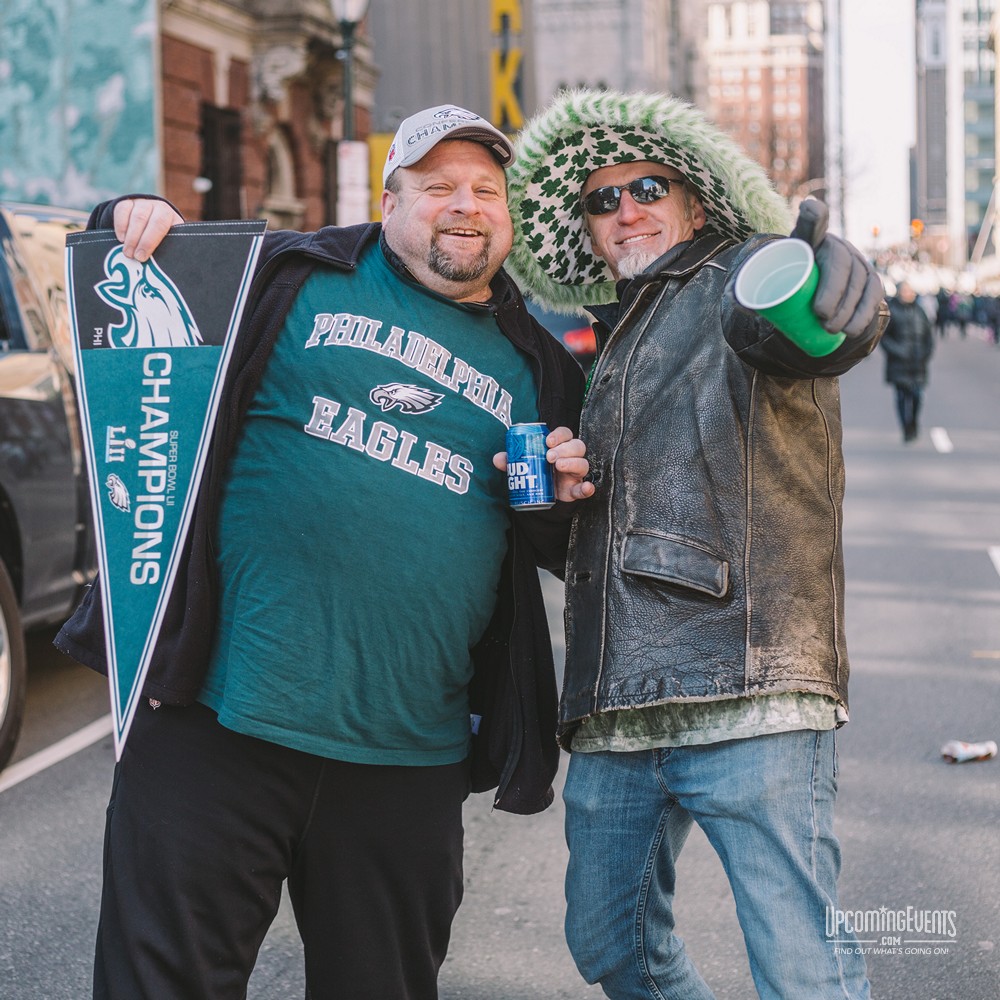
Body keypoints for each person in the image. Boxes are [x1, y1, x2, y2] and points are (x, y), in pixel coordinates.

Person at [55, 104, 594, 1000]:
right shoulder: (283, 276)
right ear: (389, 202)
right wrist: (129, 211)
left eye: (485, 190)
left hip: (405, 759)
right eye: (436, 187)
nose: (464, 205)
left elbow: (563, 547)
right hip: (215, 723)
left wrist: (563, 505)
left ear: (509, 214)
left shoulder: (540, 365)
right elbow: (133, 286)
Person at [505, 89, 888, 1000]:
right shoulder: (611, 348)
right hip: (617, 705)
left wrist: (833, 292)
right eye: (602, 200)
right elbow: (597, 541)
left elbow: (807, 328)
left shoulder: (738, 280)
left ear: (694, 199)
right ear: (587, 230)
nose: (625, 210)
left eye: (647, 187)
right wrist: (557, 502)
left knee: (802, 969)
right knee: (607, 944)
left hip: (748, 688)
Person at [881, 280, 935, 442]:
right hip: (899, 364)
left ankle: (913, 422)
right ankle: (905, 427)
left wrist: (925, 353)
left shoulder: (920, 311)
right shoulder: (893, 311)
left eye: (910, 291)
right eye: (905, 291)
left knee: (917, 396)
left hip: (918, 364)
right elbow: (884, 338)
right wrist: (898, 351)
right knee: (901, 397)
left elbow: (928, 337)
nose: (908, 294)